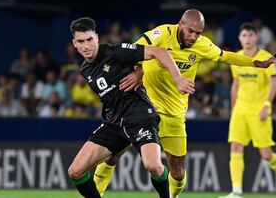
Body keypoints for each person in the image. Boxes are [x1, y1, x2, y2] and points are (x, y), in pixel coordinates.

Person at [94, 9, 276, 198]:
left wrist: (257, 63)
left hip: (174, 113)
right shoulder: (162, 34)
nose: (194, 36)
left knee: (177, 172)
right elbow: (133, 50)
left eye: (198, 33)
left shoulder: (202, 45)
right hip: (143, 106)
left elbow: (226, 56)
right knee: (114, 153)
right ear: (180, 24)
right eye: (190, 31)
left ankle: (173, 196)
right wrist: (139, 71)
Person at [67, 17, 195, 198]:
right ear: (75, 44)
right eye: (81, 41)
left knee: (153, 166)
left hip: (139, 115)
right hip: (114, 122)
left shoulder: (115, 51)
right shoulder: (85, 69)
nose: (86, 45)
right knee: (75, 171)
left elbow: (159, 52)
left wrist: (178, 80)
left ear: (96, 37)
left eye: (89, 39)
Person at [219, 23, 276, 198]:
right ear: (239, 38)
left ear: (256, 38)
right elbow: (236, 84)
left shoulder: (266, 57)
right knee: (236, 147)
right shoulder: (236, 58)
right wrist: (233, 109)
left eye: (250, 35)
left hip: (259, 110)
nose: (247, 39)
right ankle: (236, 191)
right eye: (244, 36)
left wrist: (267, 105)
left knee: (267, 155)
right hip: (240, 110)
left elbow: (273, 83)